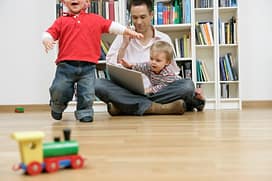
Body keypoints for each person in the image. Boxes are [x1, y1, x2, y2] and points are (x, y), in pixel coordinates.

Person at [95, 0, 205, 116]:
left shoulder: (163, 39)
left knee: (187, 86)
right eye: (135, 17)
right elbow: (111, 69)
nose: (138, 22)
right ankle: (158, 107)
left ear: (151, 15)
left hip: (157, 92)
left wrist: (192, 92)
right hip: (128, 91)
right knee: (98, 85)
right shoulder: (123, 37)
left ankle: (125, 106)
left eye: (143, 17)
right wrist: (124, 45)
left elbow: (172, 73)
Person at [42, 0, 143, 123]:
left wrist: (127, 31)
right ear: (64, 2)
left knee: (87, 93)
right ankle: (57, 106)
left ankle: (85, 112)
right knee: (60, 89)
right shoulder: (61, 21)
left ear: (87, 2)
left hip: (88, 67)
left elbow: (112, 26)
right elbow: (49, 33)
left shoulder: (95, 19)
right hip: (65, 66)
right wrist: (47, 39)